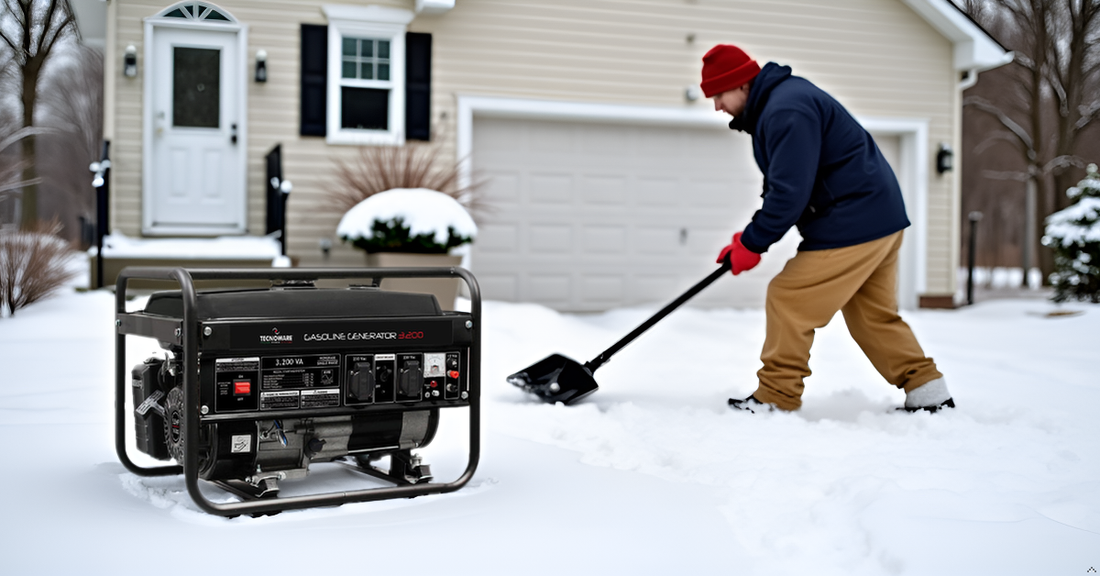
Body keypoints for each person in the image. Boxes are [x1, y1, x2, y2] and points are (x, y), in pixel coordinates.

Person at [700, 44, 954, 413]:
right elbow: (783, 184)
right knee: (873, 315)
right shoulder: (781, 104)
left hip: (853, 220)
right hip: (877, 218)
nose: (717, 106)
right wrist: (747, 239)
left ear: (740, 85)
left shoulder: (785, 110)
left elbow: (790, 194)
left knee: (788, 298)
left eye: (719, 95)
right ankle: (928, 392)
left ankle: (777, 396)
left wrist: (755, 243)